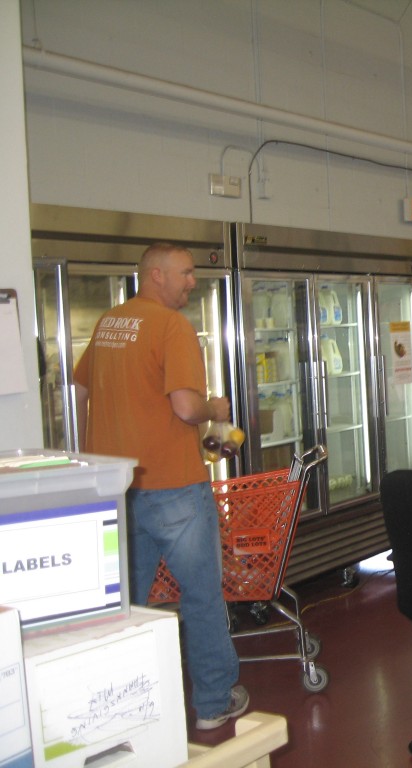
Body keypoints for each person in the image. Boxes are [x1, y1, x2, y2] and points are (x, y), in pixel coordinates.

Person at [73, 242, 248, 730]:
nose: (193, 282)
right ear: (156, 276)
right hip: (174, 487)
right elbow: (186, 408)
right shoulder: (172, 327)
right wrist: (216, 407)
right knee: (201, 598)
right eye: (187, 273)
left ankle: (119, 708)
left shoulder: (109, 322)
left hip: (117, 488)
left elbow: (79, 391)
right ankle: (213, 704)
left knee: (126, 605)